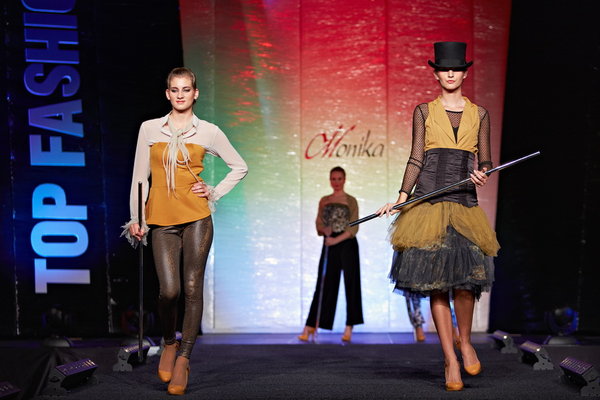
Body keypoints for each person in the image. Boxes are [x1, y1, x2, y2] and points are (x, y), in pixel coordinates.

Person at [376, 42, 499, 391]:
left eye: (456, 69)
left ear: (464, 73)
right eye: (444, 69)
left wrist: (483, 172)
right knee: (437, 283)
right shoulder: (424, 111)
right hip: (428, 201)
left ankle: (465, 341)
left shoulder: (480, 114)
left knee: (468, 279)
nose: (450, 73)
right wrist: (401, 199)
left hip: (463, 202)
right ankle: (449, 359)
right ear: (436, 74)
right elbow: (416, 158)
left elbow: (486, 160)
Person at [122, 67, 248, 395]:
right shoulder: (150, 129)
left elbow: (240, 166)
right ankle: (169, 341)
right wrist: (137, 217)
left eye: (186, 89)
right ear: (167, 94)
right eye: (175, 90)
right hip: (162, 219)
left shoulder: (208, 131)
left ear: (196, 93)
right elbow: (140, 177)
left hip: (197, 218)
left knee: (192, 288)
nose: (180, 95)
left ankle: (183, 358)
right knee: (169, 291)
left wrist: (213, 191)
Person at [298, 166, 364, 342]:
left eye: (339, 179)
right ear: (330, 180)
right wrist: (323, 230)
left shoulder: (351, 200)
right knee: (324, 283)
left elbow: (354, 226)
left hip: (347, 243)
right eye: (333, 179)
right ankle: (310, 325)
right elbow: (319, 222)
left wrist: (337, 239)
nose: (336, 182)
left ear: (344, 180)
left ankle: (349, 327)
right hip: (329, 243)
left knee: (351, 285)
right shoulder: (324, 200)